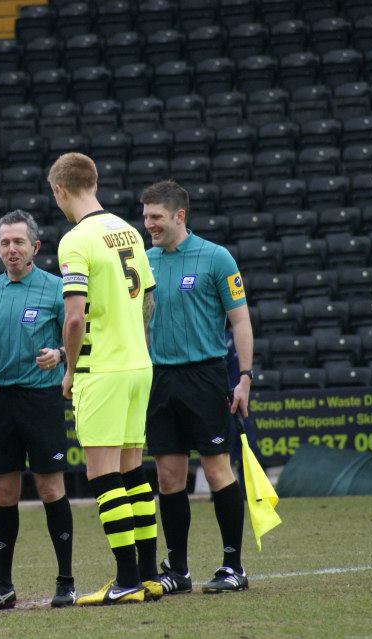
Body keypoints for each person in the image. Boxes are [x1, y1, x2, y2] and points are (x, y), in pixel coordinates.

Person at [49, 152, 162, 606]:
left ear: (60, 190)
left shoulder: (75, 241)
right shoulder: (128, 230)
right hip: (138, 365)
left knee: (102, 474)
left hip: (103, 370)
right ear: (94, 183)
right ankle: (149, 576)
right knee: (134, 470)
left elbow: (75, 317)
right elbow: (149, 300)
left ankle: (126, 579)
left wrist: (70, 369)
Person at [140, 179, 254, 594]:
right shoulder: (144, 262)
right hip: (158, 379)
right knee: (168, 477)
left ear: (179, 215)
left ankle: (233, 566)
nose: (149, 224)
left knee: (217, 468)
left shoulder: (216, 257)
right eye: (145, 216)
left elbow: (240, 321)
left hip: (205, 376)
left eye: (156, 216)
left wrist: (244, 377)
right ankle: (179, 570)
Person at [0, 210, 76, 611]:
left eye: (19, 242)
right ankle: (2, 585)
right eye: (5, 243)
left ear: (35, 247)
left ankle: (66, 581)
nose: (12, 249)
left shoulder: (56, 289)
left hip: (42, 400)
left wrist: (60, 354)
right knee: (4, 492)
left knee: (50, 488)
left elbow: (82, 337)